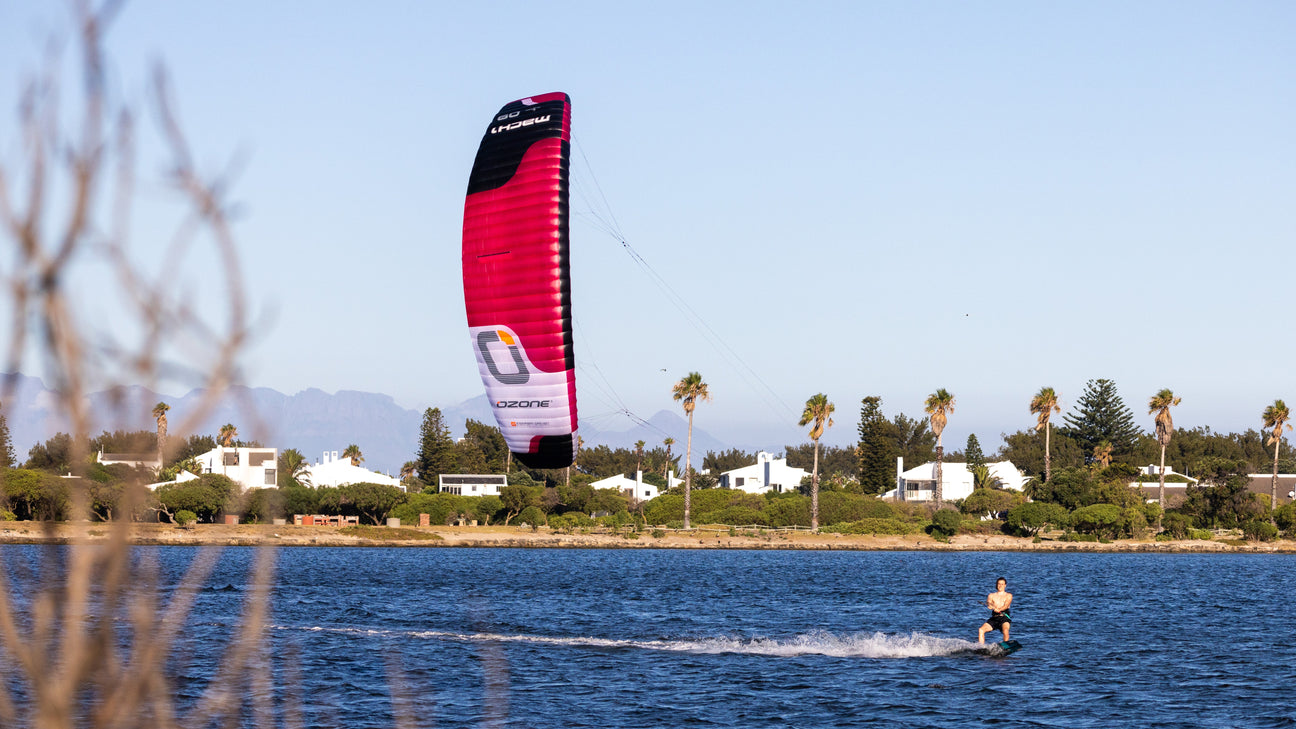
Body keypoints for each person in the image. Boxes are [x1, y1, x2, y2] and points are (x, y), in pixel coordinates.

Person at [978, 577, 1012, 644]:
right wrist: (990, 605)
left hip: (1004, 617)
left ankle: (1005, 646)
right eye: (999, 584)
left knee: (1005, 630)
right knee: (981, 630)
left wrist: (999, 609)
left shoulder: (1008, 595)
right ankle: (980, 647)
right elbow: (988, 602)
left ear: (1005, 585)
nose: (1000, 586)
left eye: (1002, 584)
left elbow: (1006, 605)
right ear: (996, 585)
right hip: (994, 618)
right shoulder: (991, 595)